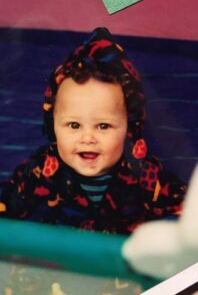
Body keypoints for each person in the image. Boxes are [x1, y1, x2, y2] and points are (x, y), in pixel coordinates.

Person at [0, 27, 186, 235]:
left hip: (117, 264)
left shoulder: (143, 172)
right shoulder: (40, 170)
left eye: (103, 126)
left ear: (130, 127)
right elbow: (6, 202)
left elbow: (186, 212)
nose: (87, 138)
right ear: (53, 126)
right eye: (74, 125)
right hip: (53, 263)